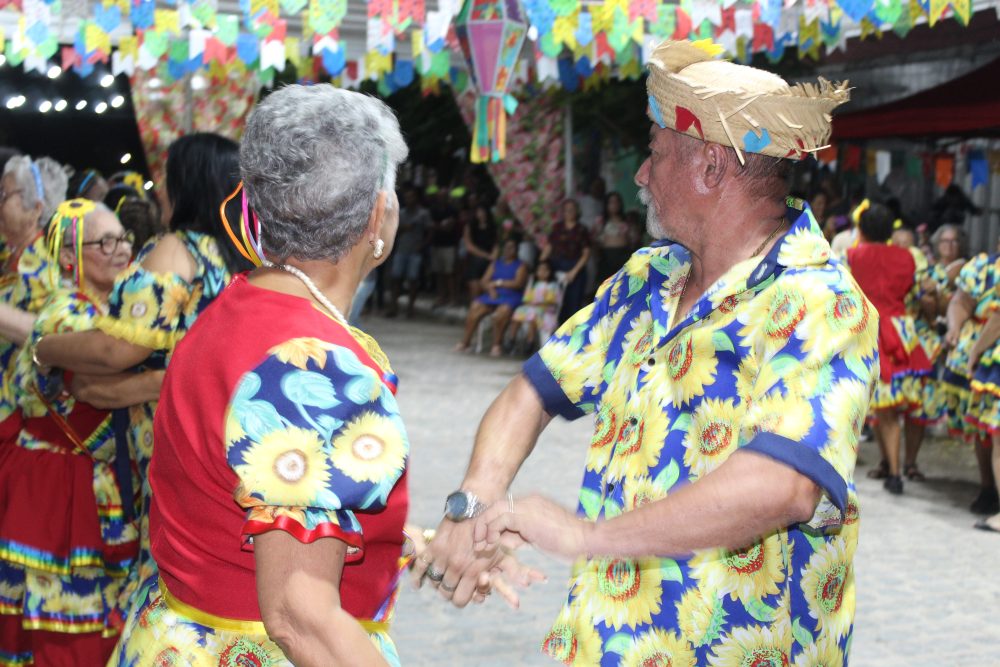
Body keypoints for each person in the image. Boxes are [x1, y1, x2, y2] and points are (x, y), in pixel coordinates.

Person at [415, 39, 873, 666]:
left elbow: (781, 487)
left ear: (711, 166)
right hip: (607, 642)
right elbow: (533, 391)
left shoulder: (820, 300)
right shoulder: (648, 277)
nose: (640, 175)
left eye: (654, 153)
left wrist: (586, 536)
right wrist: (473, 504)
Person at [109, 84, 531, 667]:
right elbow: (299, 618)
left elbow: (255, 499)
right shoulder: (315, 368)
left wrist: (410, 545)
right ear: (378, 215)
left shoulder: (235, 307)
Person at [33, 133, 252, 615]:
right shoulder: (244, 257)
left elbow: (118, 348)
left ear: (185, 183)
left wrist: (43, 348)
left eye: (165, 176)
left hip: (173, 441)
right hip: (229, 435)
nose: (158, 187)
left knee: (169, 575)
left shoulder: (178, 249)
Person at [0, 199, 161, 666]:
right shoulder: (63, 314)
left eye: (123, 238)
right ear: (70, 257)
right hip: (58, 492)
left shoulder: (113, 310)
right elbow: (98, 384)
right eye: (104, 242)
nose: (121, 249)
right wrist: (174, 376)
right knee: (67, 629)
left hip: (100, 486)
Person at [847, 203, 934, 494]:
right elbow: (915, 291)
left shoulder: (853, 256)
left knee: (883, 408)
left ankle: (894, 473)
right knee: (888, 406)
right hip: (902, 332)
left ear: (861, 229)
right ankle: (892, 465)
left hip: (870, 330)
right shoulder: (907, 257)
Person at [0, 155, 67, 442]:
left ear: (36, 208)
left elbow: (46, 333)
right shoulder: (12, 254)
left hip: (28, 417)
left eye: (5, 195)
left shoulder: (45, 263)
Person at [941, 252, 1000, 516]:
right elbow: (961, 301)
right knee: (984, 424)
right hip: (983, 350)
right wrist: (954, 328)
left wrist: (977, 349)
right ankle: (988, 487)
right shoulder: (983, 266)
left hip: (989, 348)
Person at [455, 238, 528, 356]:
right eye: (506, 247)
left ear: (517, 250)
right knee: (475, 307)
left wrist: (498, 283)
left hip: (511, 296)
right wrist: (490, 289)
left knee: (502, 312)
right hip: (492, 295)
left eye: (512, 247)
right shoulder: (496, 263)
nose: (508, 250)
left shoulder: (521, 265)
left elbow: (518, 283)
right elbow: (484, 281)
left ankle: (496, 345)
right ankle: (465, 342)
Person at [540, 198, 590, 323]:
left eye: (572, 210)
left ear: (577, 211)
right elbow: (549, 247)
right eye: (566, 210)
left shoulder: (582, 229)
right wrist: (540, 264)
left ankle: (571, 332)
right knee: (554, 302)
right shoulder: (557, 227)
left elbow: (586, 253)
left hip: (575, 268)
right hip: (556, 266)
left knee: (573, 305)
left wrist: (573, 272)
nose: (569, 212)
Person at [387, 186, 431, 318]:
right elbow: (392, 230)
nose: (409, 199)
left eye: (411, 197)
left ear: (417, 198)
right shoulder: (401, 212)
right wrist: (403, 228)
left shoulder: (423, 214)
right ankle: (393, 307)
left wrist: (423, 245)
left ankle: (410, 309)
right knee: (396, 279)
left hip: (415, 251)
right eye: (407, 197)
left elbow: (430, 231)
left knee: (413, 280)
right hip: (401, 249)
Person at [508, 260, 563, 353]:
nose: (542, 272)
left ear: (550, 272)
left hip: (547, 311)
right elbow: (526, 299)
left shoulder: (553, 286)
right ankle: (511, 339)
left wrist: (538, 304)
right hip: (532, 308)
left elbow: (554, 302)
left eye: (545, 270)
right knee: (518, 312)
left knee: (533, 316)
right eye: (539, 270)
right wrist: (531, 303)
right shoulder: (534, 285)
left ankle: (530, 341)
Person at [595, 191, 635, 284]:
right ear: (606, 205)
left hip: (624, 255)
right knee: (607, 285)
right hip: (606, 257)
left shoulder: (627, 221)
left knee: (623, 284)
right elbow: (595, 240)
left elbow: (633, 239)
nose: (614, 205)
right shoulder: (601, 221)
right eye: (611, 202)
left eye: (617, 202)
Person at [462, 203, 497, 302]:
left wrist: (493, 256)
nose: (481, 214)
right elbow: (469, 246)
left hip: (490, 261)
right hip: (475, 259)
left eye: (483, 211)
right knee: (475, 288)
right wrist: (486, 255)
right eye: (479, 212)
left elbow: (496, 243)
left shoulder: (493, 226)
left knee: (487, 287)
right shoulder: (469, 226)